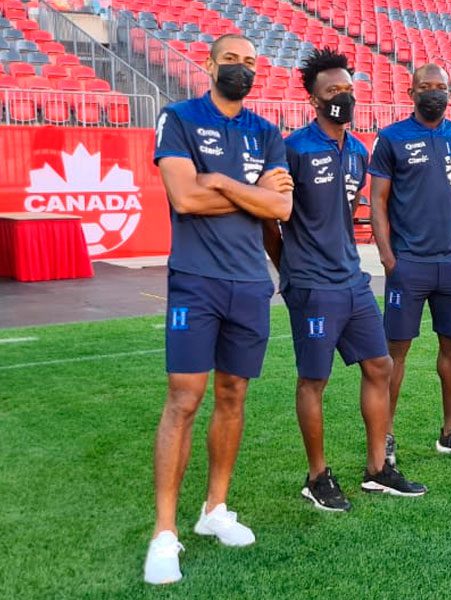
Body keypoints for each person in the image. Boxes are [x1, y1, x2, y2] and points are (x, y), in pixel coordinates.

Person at [144, 34, 293, 584]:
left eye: (250, 61)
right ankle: (165, 533)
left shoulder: (265, 131)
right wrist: (252, 192)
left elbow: (280, 206)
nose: (241, 68)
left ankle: (214, 510)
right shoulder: (178, 116)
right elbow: (184, 197)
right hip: (196, 281)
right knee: (185, 398)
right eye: (231, 59)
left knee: (233, 396)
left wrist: (225, 181)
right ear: (209, 65)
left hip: (251, 282)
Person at [263, 48, 426, 511]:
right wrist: (290, 268)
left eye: (348, 90)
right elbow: (268, 220)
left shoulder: (357, 150)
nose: (343, 97)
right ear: (313, 99)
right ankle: (317, 477)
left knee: (380, 366)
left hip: (353, 281)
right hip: (312, 287)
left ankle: (378, 469)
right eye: (333, 91)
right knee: (314, 380)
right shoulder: (293, 147)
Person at [369, 63, 451, 462]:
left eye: (441, 87)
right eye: (426, 87)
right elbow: (379, 201)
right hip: (410, 264)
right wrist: (389, 258)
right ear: (411, 92)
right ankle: (384, 438)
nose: (433, 93)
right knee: (395, 352)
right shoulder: (392, 138)